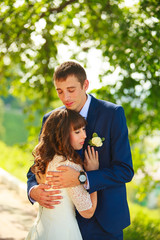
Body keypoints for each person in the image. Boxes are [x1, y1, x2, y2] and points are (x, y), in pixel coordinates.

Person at [27, 61, 134, 240]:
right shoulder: (51, 119)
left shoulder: (112, 114)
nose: (65, 97)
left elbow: (125, 171)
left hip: (105, 223)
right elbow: (39, 162)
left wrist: (82, 178)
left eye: (71, 89)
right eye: (59, 91)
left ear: (85, 85)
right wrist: (33, 190)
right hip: (63, 222)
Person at [26, 108, 99, 240]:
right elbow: (88, 212)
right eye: (77, 131)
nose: (84, 135)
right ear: (62, 135)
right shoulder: (69, 166)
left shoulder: (44, 159)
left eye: (83, 129)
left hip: (41, 230)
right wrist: (93, 173)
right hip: (63, 232)